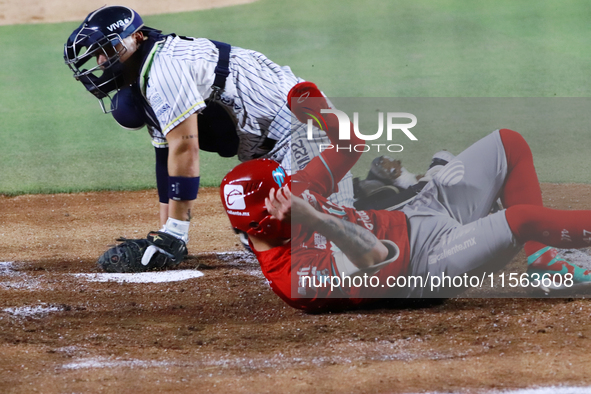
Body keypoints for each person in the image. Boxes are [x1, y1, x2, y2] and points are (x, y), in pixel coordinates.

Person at [220, 82, 591, 311]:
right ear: (267, 220)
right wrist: (315, 219)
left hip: (417, 212)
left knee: (508, 144)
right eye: (282, 190)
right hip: (427, 264)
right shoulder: (298, 280)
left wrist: (317, 109)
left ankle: (544, 261)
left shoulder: (292, 192)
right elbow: (376, 255)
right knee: (520, 219)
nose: (293, 186)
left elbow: (350, 144)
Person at [63, 5, 353, 271]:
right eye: (97, 53)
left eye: (108, 48)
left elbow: (185, 148)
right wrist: (167, 234)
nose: (101, 60)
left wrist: (176, 232)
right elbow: (165, 158)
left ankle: (366, 211)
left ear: (136, 37)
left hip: (304, 131)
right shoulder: (144, 79)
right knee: (254, 226)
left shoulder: (165, 69)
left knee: (303, 245)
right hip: (272, 147)